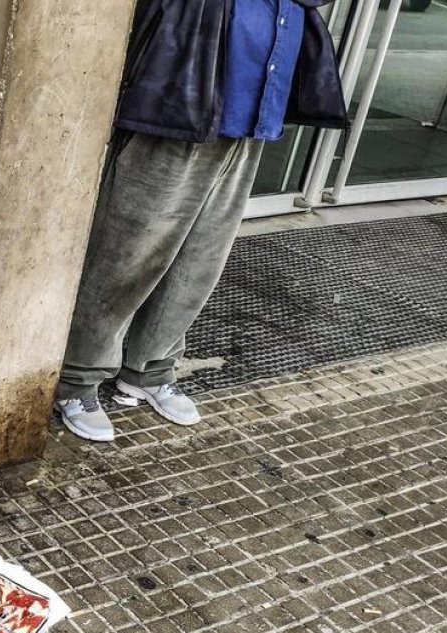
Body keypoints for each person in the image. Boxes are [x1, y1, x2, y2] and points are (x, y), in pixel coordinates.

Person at [55, 0, 347, 441]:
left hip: (247, 125)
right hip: (175, 115)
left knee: (200, 260)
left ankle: (150, 369)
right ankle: (77, 378)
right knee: (128, 258)